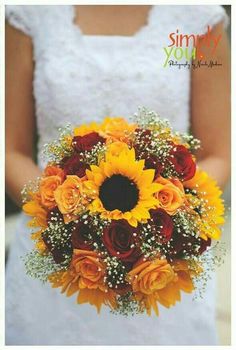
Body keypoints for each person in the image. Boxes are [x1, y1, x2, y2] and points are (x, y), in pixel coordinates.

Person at [5, 5, 230, 345]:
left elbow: (220, 153)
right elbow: (10, 149)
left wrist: (160, 225)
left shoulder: (195, 17)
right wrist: (65, 220)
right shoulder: (30, 13)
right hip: (52, 257)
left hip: (162, 263)